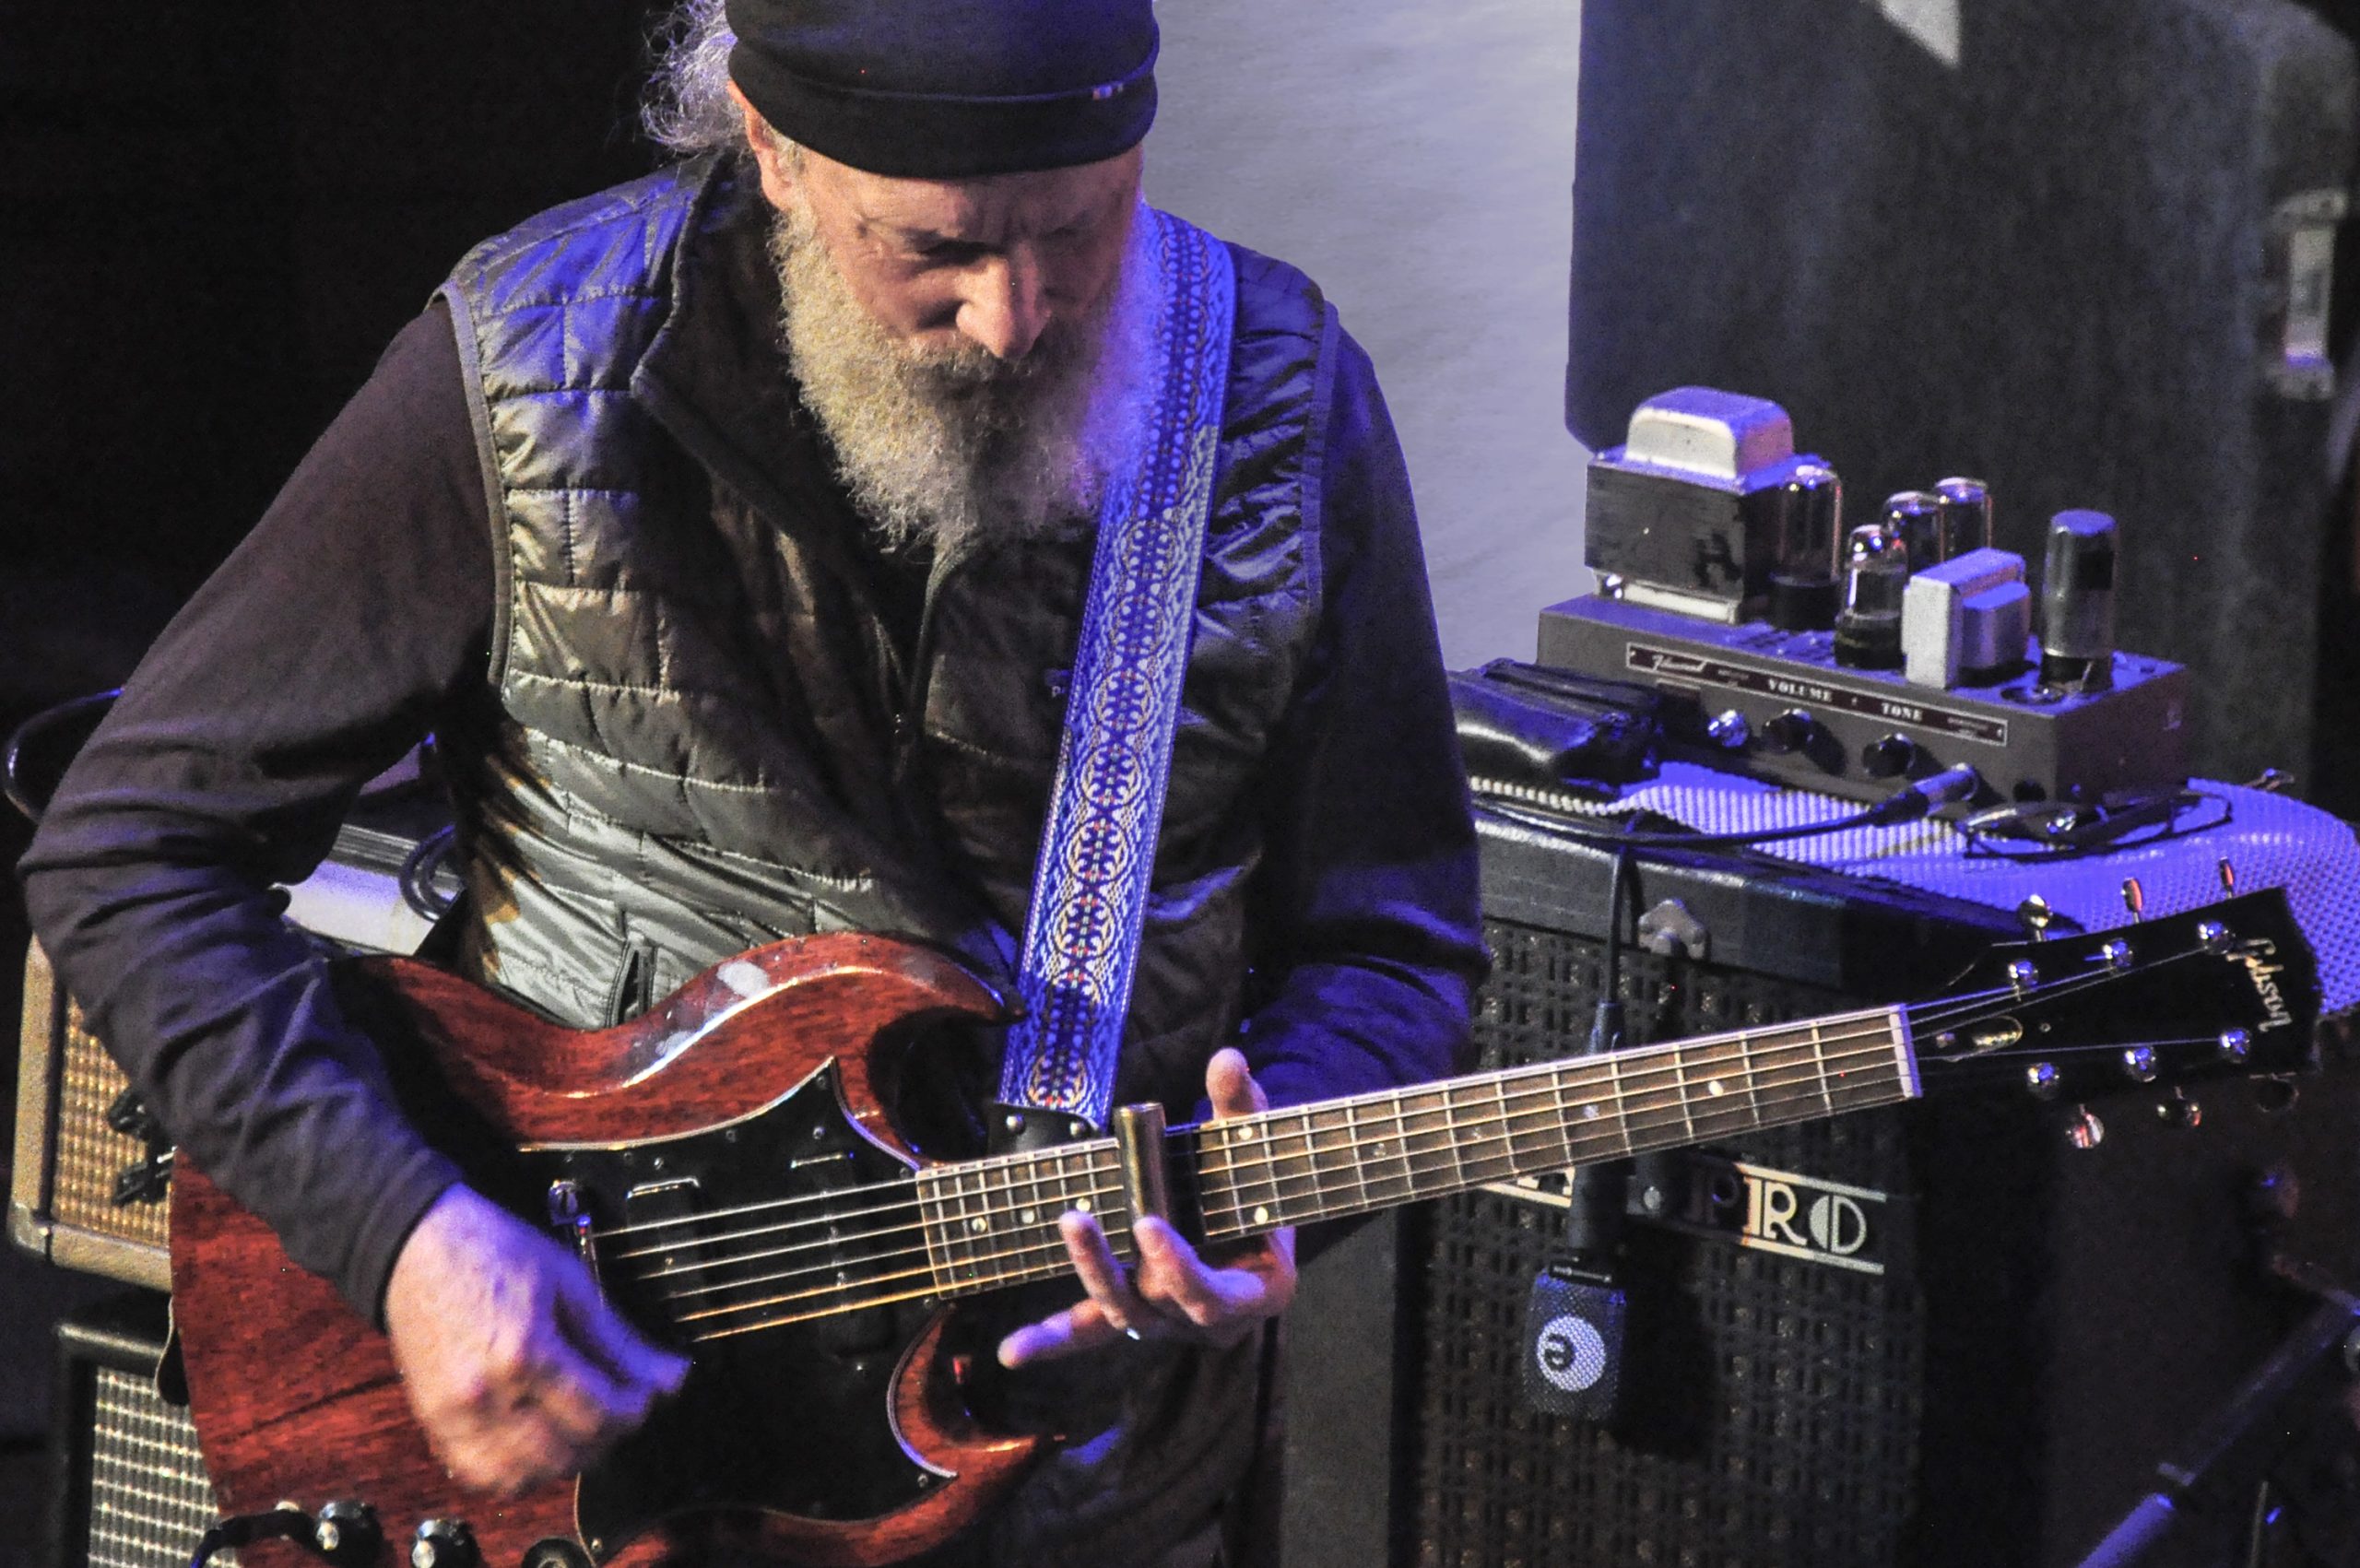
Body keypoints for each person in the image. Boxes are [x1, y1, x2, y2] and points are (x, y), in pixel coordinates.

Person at [19, 0, 1486, 1562]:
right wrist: (407, 1234)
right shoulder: (527, 365)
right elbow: (129, 849)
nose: (1019, 314)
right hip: (608, 1481)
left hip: (1091, 1491)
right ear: (773, 150)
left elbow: (1392, 950)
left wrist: (1267, 1190)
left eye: (1082, 226)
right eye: (937, 250)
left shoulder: (1279, 391)